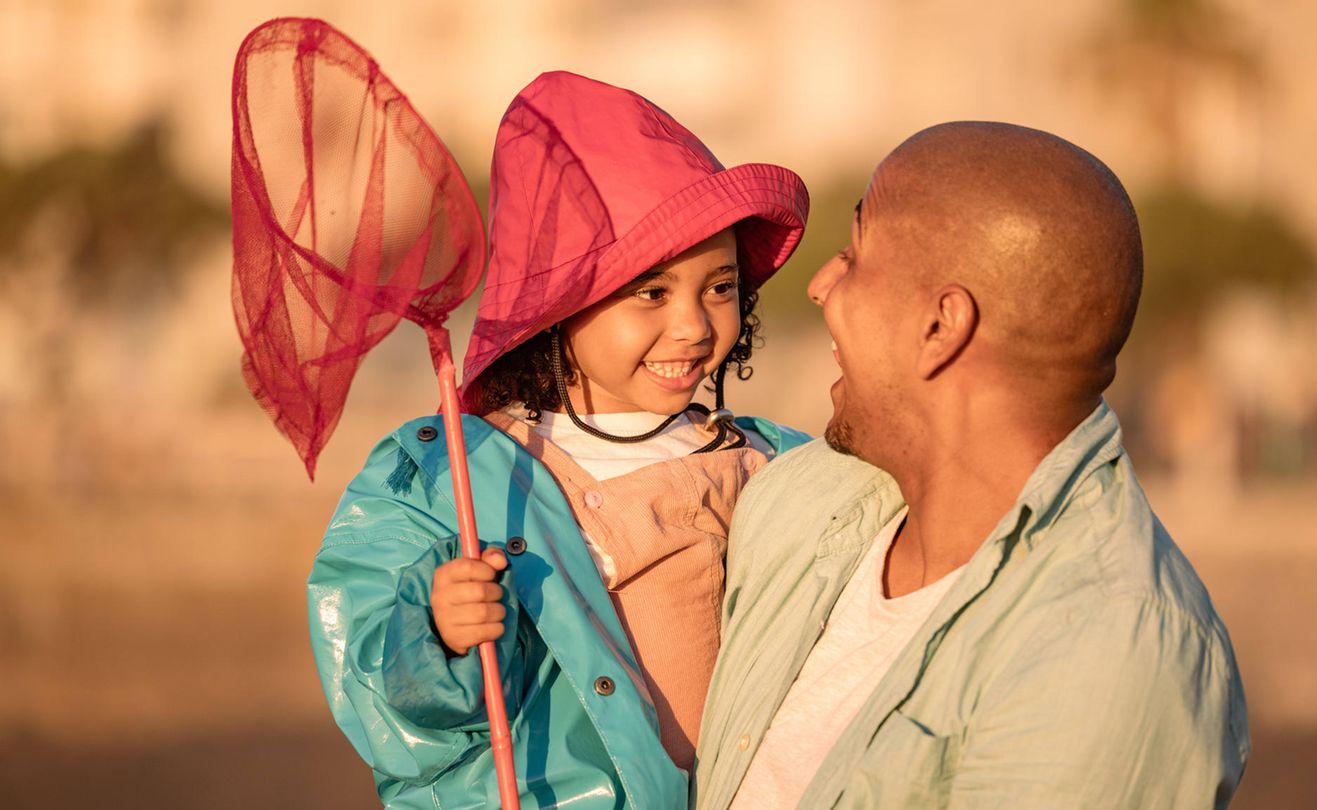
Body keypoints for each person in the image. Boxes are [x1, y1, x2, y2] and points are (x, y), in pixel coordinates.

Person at [694, 122, 1249, 809]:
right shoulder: (796, 501)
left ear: (940, 326)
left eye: (854, 256)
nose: (820, 285)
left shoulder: (1111, 651)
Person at [308, 71, 809, 809]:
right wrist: (439, 638)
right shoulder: (452, 478)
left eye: (721, 286)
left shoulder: (775, 465)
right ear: (555, 308)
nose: (696, 326)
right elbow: (381, 698)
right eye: (651, 292)